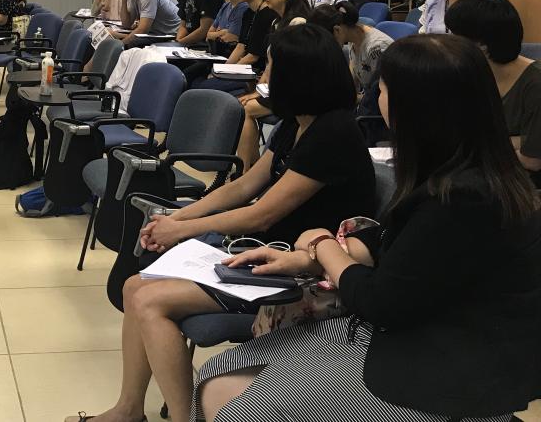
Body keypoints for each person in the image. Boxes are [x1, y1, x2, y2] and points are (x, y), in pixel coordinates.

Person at [197, 34, 541, 422]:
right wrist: (309, 259)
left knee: (239, 406)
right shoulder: (458, 168)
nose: (376, 97)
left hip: (453, 368)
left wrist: (323, 245)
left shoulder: (464, 196)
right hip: (423, 331)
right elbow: (396, 242)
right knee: (216, 374)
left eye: (382, 89)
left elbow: (381, 300)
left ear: (413, 107)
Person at [69, 24, 376, 422]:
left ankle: (185, 417)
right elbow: (245, 185)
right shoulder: (298, 123)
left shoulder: (334, 134)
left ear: (297, 77)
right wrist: (176, 216)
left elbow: (263, 213)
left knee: (149, 300)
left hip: (305, 273)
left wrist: (182, 229)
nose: (264, 75)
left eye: (271, 67)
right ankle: (129, 409)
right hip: (264, 257)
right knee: (134, 287)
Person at [446, 0, 541, 187]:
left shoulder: (535, 85)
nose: (447, 43)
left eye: (454, 36)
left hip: (521, 185)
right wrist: (516, 141)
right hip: (483, 172)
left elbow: (532, 160)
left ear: (482, 45)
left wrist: (477, 144)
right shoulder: (469, 73)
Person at [233, 0, 311, 168]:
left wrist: (262, 94)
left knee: (246, 109)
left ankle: (246, 171)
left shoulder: (298, 23)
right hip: (278, 89)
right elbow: (270, 67)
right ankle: (252, 167)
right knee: (243, 105)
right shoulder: (277, 22)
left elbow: (295, 71)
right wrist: (258, 91)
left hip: (297, 93)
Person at [309, 1, 394, 138]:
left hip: (376, 117)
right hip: (365, 106)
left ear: (337, 30)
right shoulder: (354, 40)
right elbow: (351, 85)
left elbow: (378, 97)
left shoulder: (377, 48)